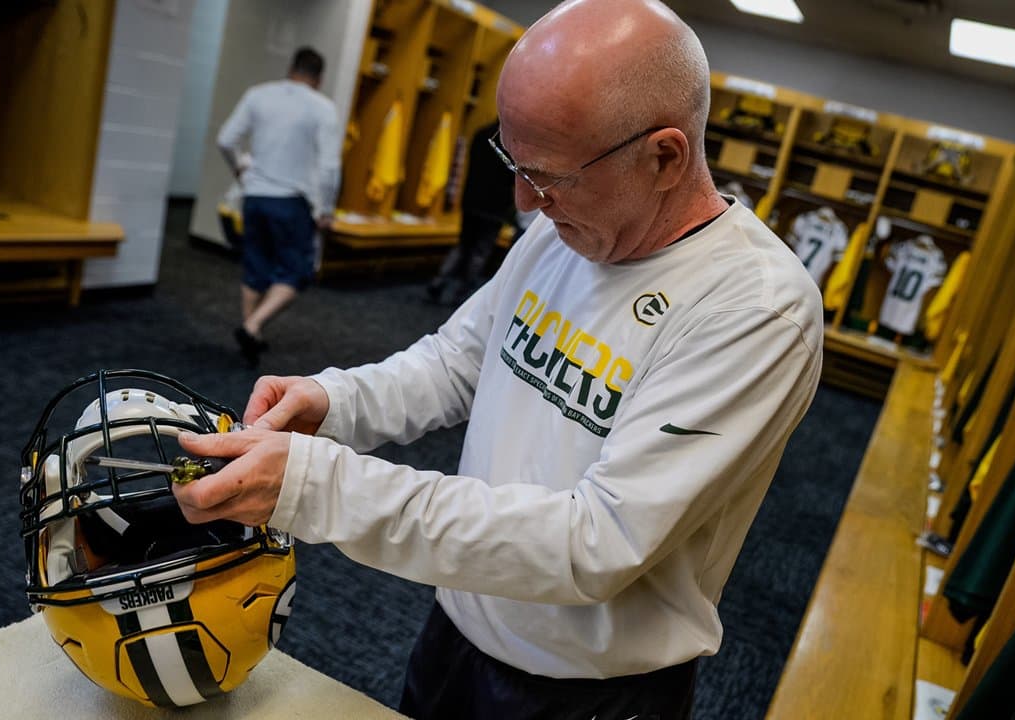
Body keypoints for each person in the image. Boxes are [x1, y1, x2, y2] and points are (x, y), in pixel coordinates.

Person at [175, 1, 823, 717]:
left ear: (664, 156)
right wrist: (335, 403)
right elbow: (457, 362)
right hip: (459, 627)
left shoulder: (757, 310)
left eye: (546, 176)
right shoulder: (565, 229)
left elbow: (595, 542)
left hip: (590, 691)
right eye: (512, 163)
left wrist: (316, 486)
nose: (522, 200)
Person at [217, 46, 341, 367]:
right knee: (296, 272)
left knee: (256, 265)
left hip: (254, 197)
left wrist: (240, 170)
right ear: (319, 78)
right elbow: (329, 167)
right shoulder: (322, 108)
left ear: (291, 68)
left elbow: (226, 139)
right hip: (291, 202)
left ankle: (252, 338)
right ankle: (252, 326)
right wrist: (326, 210)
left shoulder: (258, 95)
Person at [425, 119, 517, 305]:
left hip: (471, 198)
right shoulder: (512, 145)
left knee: (464, 244)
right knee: (480, 250)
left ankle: (440, 280)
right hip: (495, 205)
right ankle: (462, 292)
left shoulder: (480, 133)